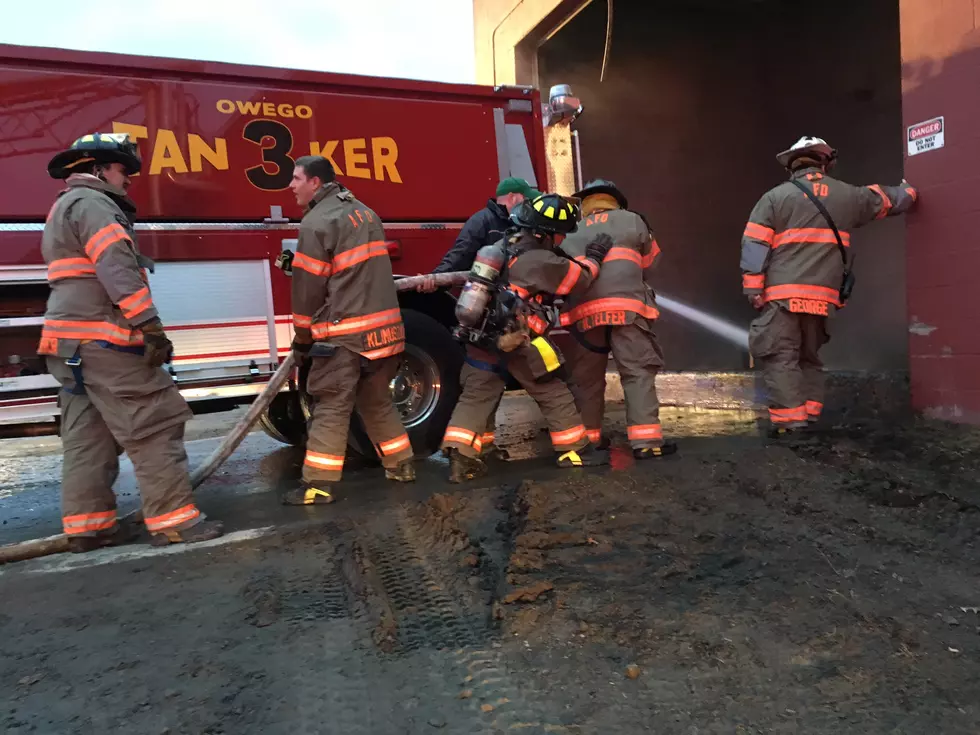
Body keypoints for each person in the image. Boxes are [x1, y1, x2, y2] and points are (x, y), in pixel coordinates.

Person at [40, 132, 223, 551]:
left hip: (70, 345)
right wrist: (149, 326)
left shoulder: (62, 207)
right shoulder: (95, 205)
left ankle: (89, 527)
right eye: (124, 171)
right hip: (105, 341)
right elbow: (117, 267)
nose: (129, 181)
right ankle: (174, 521)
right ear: (99, 168)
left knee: (90, 435)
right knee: (154, 424)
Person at [741, 136, 919, 435]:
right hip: (823, 298)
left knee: (781, 357)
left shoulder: (774, 198)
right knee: (809, 357)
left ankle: (789, 423)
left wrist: (753, 288)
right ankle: (808, 416)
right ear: (824, 163)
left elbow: (755, 244)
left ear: (792, 165)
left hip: (783, 295)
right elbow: (887, 200)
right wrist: (909, 192)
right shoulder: (848, 196)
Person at [441, 193, 612, 482]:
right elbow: (580, 279)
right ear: (544, 234)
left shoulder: (500, 247)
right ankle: (574, 450)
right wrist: (594, 256)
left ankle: (461, 452)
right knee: (552, 390)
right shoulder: (542, 260)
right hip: (518, 338)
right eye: (557, 235)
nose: (559, 240)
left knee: (477, 394)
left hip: (481, 336)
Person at [285, 155, 415, 504]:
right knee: (375, 401)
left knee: (330, 406)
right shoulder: (365, 212)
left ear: (315, 182)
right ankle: (401, 464)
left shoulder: (316, 222)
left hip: (346, 335)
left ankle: (318, 485)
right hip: (385, 333)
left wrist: (302, 338)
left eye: (297, 179)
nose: (291, 185)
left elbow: (307, 289)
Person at [418, 177, 540, 459]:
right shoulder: (482, 221)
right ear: (512, 197)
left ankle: (482, 445)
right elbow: (459, 256)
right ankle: (465, 448)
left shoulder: (516, 224)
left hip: (510, 312)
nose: (530, 203)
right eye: (526, 198)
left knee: (492, 381)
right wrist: (437, 282)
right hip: (488, 317)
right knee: (484, 379)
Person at [559, 179, 677, 459]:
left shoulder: (570, 231)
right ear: (615, 200)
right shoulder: (634, 221)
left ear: (585, 203)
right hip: (628, 310)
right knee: (636, 373)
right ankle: (646, 442)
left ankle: (589, 440)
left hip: (584, 314)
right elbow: (651, 264)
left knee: (586, 378)